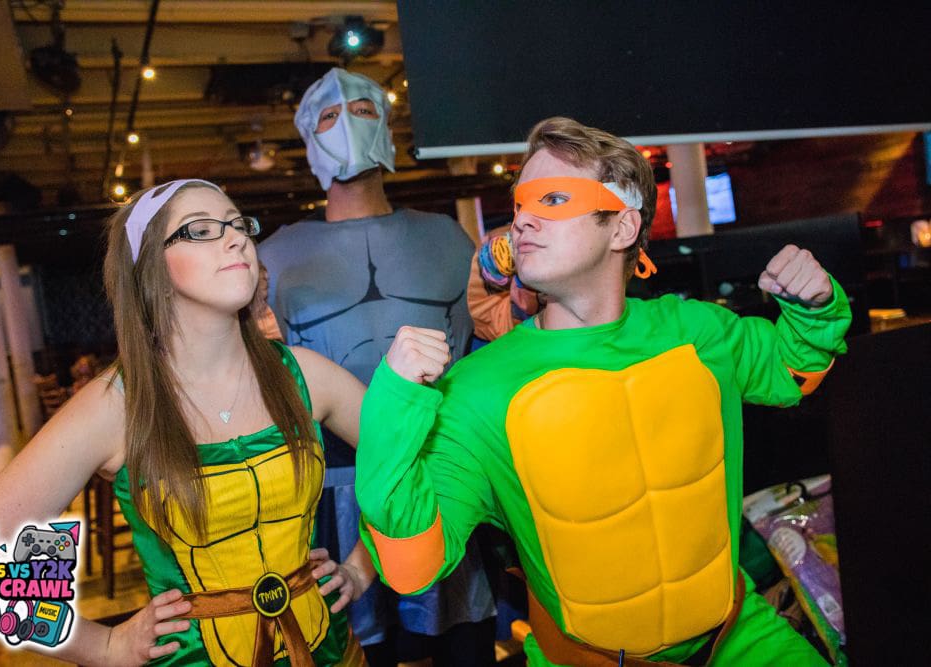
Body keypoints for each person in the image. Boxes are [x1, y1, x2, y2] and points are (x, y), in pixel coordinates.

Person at [355, 117, 851, 666]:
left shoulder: (700, 333)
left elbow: (793, 369)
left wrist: (813, 305)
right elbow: (411, 567)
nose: (521, 221)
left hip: (738, 639)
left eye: (554, 199)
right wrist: (392, 406)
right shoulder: (473, 390)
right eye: (519, 205)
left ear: (622, 227)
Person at [0, 179, 373, 666]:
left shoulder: (304, 375)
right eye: (200, 230)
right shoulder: (115, 408)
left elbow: (415, 464)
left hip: (332, 653)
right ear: (150, 269)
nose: (235, 239)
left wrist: (361, 568)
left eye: (238, 225)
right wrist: (103, 646)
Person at [258, 68, 497, 666]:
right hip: (327, 489)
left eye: (364, 110)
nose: (348, 124)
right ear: (309, 139)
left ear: (387, 125)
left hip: (435, 475)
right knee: (355, 649)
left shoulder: (446, 239)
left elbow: (474, 357)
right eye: (329, 116)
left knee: (460, 640)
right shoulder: (273, 258)